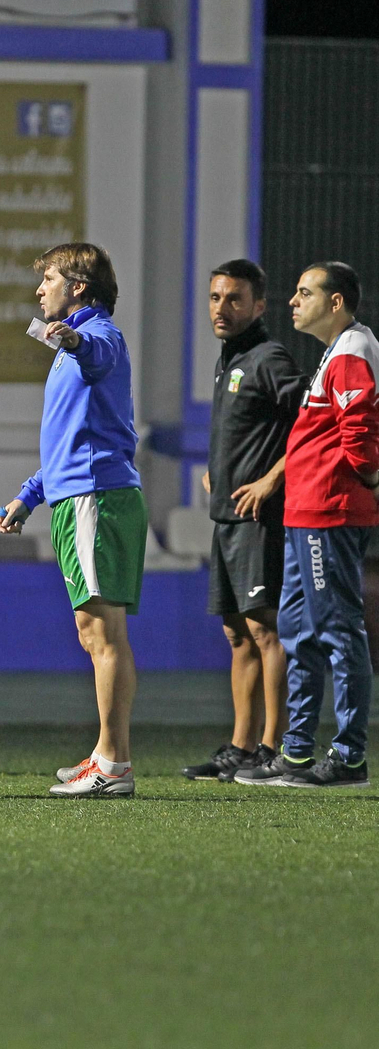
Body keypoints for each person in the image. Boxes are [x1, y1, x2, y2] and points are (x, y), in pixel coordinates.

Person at [0, 242, 145, 798]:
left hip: (95, 498)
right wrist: (29, 496)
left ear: (78, 287)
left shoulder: (98, 335)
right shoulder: (68, 347)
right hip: (77, 496)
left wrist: (76, 340)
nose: (40, 290)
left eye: (50, 280)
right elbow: (71, 439)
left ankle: (114, 765)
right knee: (92, 633)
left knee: (104, 635)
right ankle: (106, 755)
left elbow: (99, 353)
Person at [237, 261, 375, 788]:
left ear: (336, 302)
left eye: (304, 292)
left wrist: (369, 477)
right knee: (298, 631)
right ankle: (295, 752)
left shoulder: (354, 350)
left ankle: (350, 756)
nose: (293, 301)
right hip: (306, 511)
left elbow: (360, 431)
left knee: (337, 630)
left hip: (328, 512)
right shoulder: (337, 351)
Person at [184, 259, 305, 782]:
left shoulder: (268, 357)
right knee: (236, 633)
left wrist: (272, 479)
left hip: (259, 518)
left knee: (264, 629)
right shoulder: (230, 359)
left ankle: (273, 748)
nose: (222, 308)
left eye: (234, 299)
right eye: (215, 297)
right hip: (227, 517)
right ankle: (241, 746)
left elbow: (315, 422)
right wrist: (219, 469)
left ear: (259, 305)